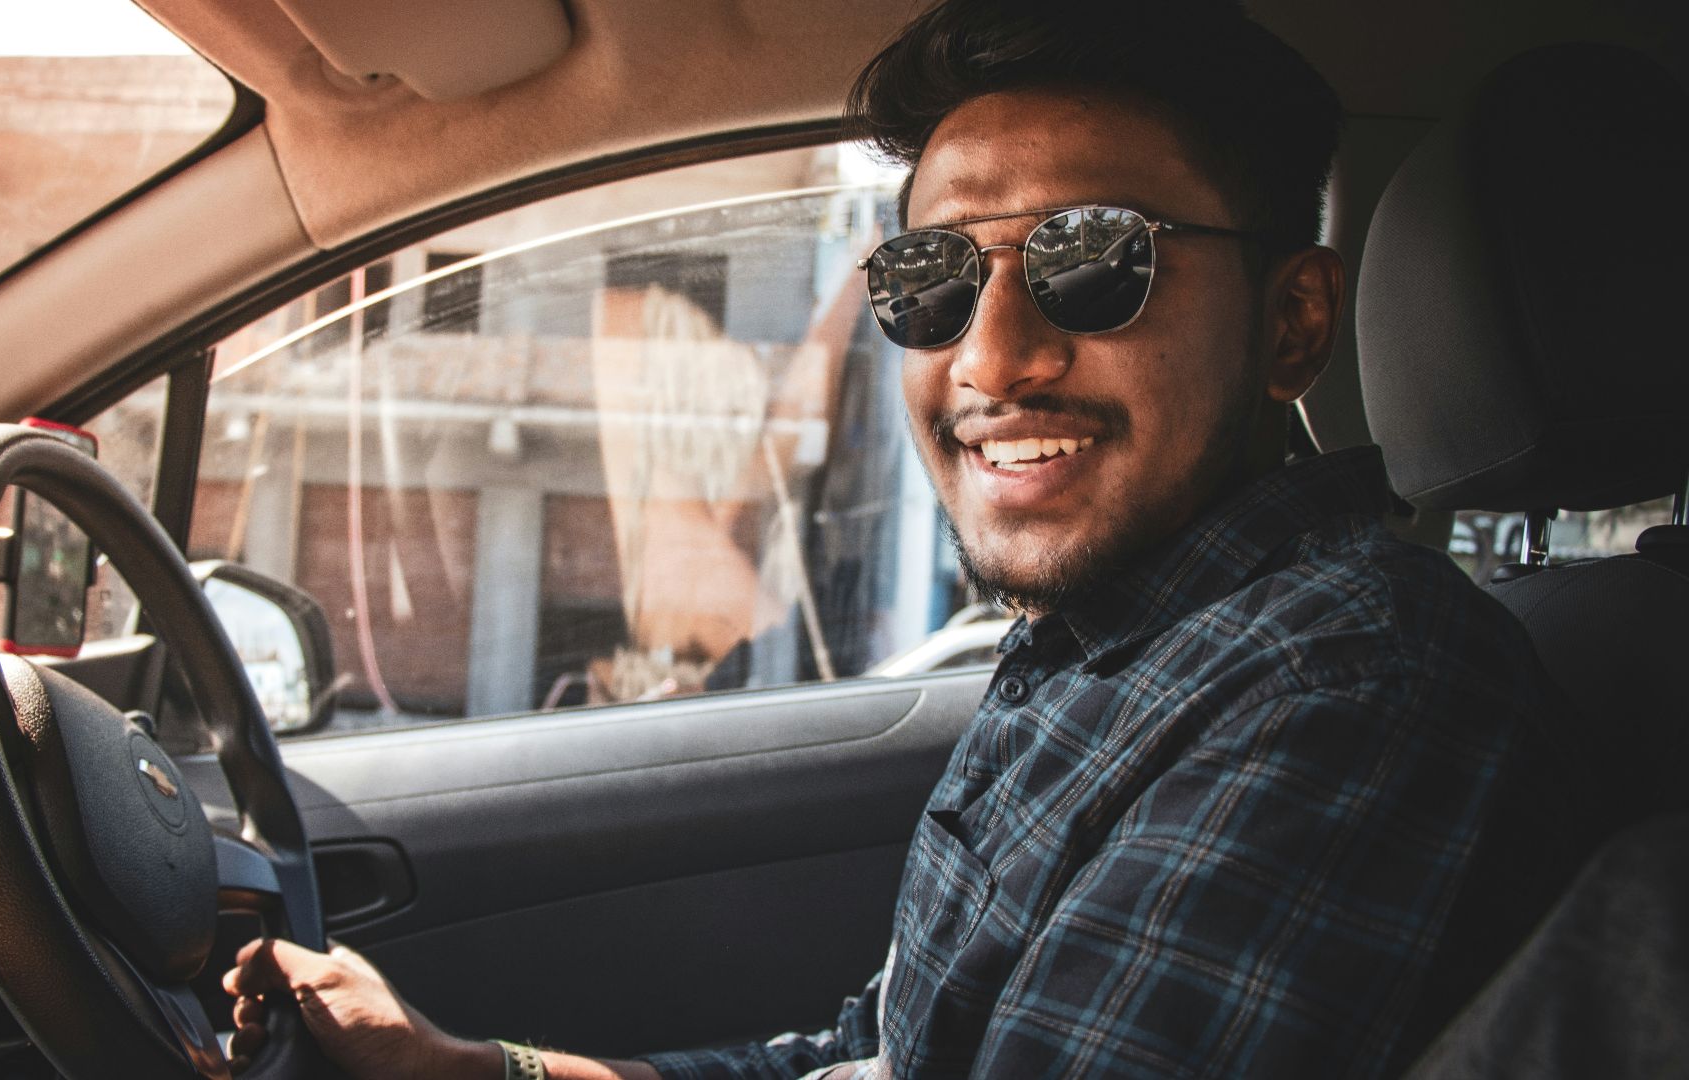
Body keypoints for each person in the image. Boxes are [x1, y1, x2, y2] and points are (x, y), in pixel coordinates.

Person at [224, 1, 1591, 1075]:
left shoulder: (1346, 681)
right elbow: (872, 1066)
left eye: (1092, 259)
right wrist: (477, 1076)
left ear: (1292, 322)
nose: (992, 359)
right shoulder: (1114, 646)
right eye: (930, 279)